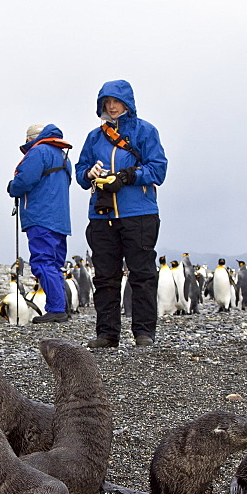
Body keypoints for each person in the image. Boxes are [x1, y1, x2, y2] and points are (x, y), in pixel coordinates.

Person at [75, 79, 167, 348]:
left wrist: (127, 176)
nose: (112, 106)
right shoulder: (94, 137)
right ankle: (107, 334)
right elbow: (81, 172)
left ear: (127, 103)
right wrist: (89, 173)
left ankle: (143, 332)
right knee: (105, 276)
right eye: (107, 102)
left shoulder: (145, 132)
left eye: (117, 101)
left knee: (142, 274)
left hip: (139, 213)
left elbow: (158, 169)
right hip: (102, 215)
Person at [7, 123, 73, 323]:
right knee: (56, 264)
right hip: (60, 219)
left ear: (32, 138)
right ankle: (61, 305)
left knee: (43, 261)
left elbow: (24, 181)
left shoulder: (38, 152)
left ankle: (56, 308)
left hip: (41, 216)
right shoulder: (63, 156)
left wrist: (12, 187)